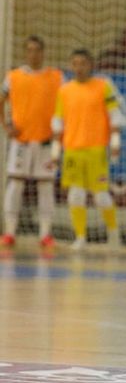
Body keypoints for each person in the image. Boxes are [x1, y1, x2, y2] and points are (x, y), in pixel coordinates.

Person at [50, 48, 122, 250]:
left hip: (96, 150)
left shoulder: (103, 86)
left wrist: (115, 143)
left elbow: (114, 116)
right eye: (75, 63)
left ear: (91, 65)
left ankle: (114, 236)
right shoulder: (65, 90)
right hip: (72, 150)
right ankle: (80, 237)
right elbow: (58, 122)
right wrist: (55, 153)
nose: (79, 67)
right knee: (75, 195)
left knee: (101, 196)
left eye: (83, 63)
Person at [0, 36, 63, 248]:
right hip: (21, 142)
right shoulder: (13, 77)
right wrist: (6, 126)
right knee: (15, 184)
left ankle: (45, 235)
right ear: (25, 53)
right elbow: (1, 99)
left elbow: (65, 105)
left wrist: (59, 131)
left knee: (45, 186)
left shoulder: (55, 77)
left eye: (37, 49)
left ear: (43, 52)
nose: (33, 53)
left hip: (46, 141)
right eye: (29, 50)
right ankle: (9, 233)